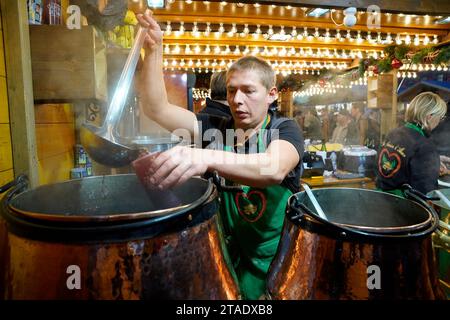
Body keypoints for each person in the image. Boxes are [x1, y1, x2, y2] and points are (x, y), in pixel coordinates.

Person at [135, 12, 304, 300]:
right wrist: (154, 50)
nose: (237, 100)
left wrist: (206, 158)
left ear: (271, 94)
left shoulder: (283, 129)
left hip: (275, 266)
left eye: (249, 91)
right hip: (227, 257)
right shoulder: (215, 127)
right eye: (231, 91)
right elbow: (156, 109)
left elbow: (273, 169)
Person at [376, 92, 447, 196]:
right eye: (440, 117)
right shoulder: (425, 145)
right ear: (429, 117)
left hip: (380, 199)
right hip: (403, 206)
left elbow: (401, 159)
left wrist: (435, 160)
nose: (439, 121)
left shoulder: (393, 133)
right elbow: (425, 192)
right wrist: (431, 160)